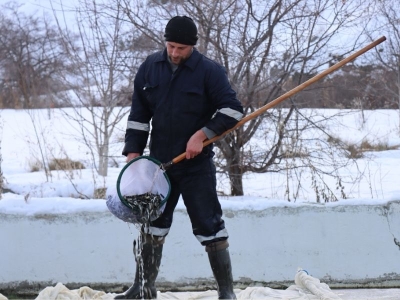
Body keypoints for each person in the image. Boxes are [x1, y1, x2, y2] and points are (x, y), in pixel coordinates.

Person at [115, 15, 243, 300]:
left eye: (181, 49)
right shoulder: (150, 67)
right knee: (151, 226)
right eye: (171, 46)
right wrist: (134, 153)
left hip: (196, 167)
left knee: (211, 227)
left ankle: (226, 293)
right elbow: (138, 116)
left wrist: (202, 134)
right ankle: (143, 288)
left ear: (192, 46)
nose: (174, 53)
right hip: (158, 167)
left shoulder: (209, 71)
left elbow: (233, 110)